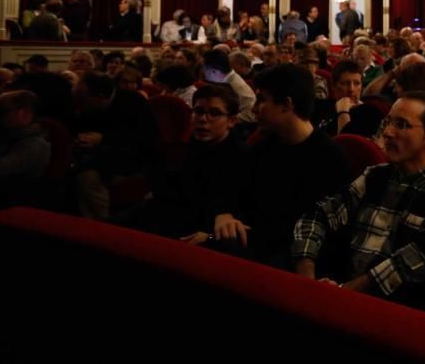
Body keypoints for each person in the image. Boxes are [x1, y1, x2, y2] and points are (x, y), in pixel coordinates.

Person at [292, 91, 425, 309]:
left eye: (402, 125)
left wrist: (342, 294)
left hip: (399, 312)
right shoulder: (375, 175)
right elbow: (319, 216)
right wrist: (307, 279)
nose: (387, 132)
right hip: (340, 293)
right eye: (388, 122)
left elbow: (419, 258)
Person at [208, 64, 348, 268]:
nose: (255, 108)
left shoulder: (329, 159)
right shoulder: (264, 146)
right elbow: (232, 191)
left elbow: (298, 235)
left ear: (286, 104)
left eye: (262, 100)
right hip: (251, 247)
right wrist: (224, 215)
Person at [124, 85, 251, 240]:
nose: (203, 119)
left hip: (199, 233)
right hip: (167, 217)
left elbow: (231, 209)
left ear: (231, 121)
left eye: (214, 113)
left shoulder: (243, 158)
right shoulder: (187, 147)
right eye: (198, 111)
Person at [72, 72, 158, 219]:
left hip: (132, 158)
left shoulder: (134, 101)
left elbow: (145, 139)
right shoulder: (87, 106)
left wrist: (103, 139)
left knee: (86, 177)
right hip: (98, 154)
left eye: (81, 96)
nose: (77, 100)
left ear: (99, 96)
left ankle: (103, 227)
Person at [0, 90, 51, 209]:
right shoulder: (4, 134)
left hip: (6, 203)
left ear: (24, 113)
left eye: (1, 112)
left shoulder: (35, 145)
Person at [201, 49, 257, 125]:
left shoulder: (236, 86)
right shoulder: (225, 80)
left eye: (204, 69)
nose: (203, 73)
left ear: (214, 71)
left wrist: (224, 120)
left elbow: (251, 115)